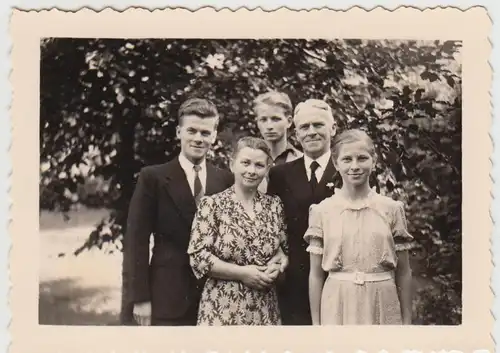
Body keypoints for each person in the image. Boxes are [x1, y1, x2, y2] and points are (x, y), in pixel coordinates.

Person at [124, 98, 234, 326]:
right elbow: (137, 241)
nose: (198, 138)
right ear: (178, 132)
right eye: (191, 130)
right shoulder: (153, 177)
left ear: (214, 136)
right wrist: (141, 299)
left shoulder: (224, 179)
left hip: (216, 297)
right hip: (168, 295)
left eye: (205, 132)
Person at [305, 129, 413, 325]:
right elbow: (315, 274)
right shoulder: (322, 211)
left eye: (362, 158)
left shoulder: (391, 209)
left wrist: (407, 322)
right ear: (336, 163)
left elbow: (404, 272)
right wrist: (316, 326)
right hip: (338, 301)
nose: (355, 166)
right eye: (347, 159)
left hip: (382, 299)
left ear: (374, 161)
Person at [187, 136, 288, 325]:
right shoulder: (212, 205)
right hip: (222, 307)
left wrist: (278, 265)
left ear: (267, 169)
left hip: (264, 307)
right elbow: (198, 257)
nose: (251, 170)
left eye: (259, 165)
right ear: (232, 164)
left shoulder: (274, 205)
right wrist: (242, 273)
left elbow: (283, 250)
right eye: (245, 163)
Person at [267, 99, 340, 325]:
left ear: (333, 128)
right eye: (304, 127)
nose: (312, 132)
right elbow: (272, 223)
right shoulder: (280, 174)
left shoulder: (348, 169)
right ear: (296, 133)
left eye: (318, 125)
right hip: (295, 280)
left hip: (338, 276)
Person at [253, 91, 302, 193]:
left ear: (289, 121)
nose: (269, 126)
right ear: (257, 122)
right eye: (263, 120)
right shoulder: (248, 161)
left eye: (275, 119)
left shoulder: (301, 160)